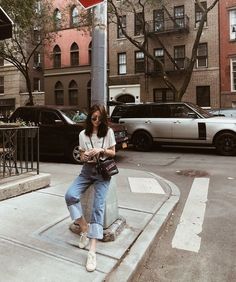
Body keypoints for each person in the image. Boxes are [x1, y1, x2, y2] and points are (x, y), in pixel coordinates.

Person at [65, 104, 116, 272]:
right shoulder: (82, 134)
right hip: (87, 171)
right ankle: (84, 227)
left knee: (98, 207)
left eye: (100, 119)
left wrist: (101, 149)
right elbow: (80, 155)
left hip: (103, 173)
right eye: (93, 118)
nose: (96, 121)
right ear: (89, 118)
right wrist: (84, 155)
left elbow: (113, 152)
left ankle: (92, 251)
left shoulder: (108, 132)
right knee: (70, 196)